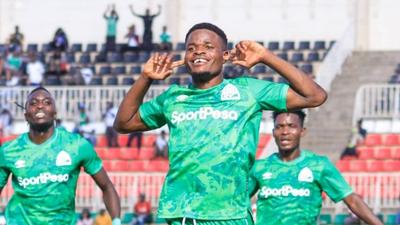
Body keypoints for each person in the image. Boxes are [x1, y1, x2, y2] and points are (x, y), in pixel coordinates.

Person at [113, 22, 327, 224]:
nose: (198, 52)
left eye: (208, 47)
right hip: (180, 213)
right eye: (191, 48)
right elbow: (124, 123)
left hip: (230, 214)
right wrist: (145, 78)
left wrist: (265, 56)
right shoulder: (173, 97)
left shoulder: (248, 91)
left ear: (225, 56)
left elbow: (314, 96)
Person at [0, 87, 121, 224]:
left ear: (55, 113)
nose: (40, 106)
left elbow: (107, 186)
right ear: (26, 115)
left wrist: (116, 221)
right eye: (33, 103)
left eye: (47, 102)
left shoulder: (77, 146)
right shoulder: (9, 150)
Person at [249, 110, 383, 225]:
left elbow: (352, 200)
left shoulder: (319, 165)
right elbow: (236, 200)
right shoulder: (260, 167)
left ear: (302, 131)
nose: (285, 131)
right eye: (279, 127)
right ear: (273, 132)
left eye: (291, 126)